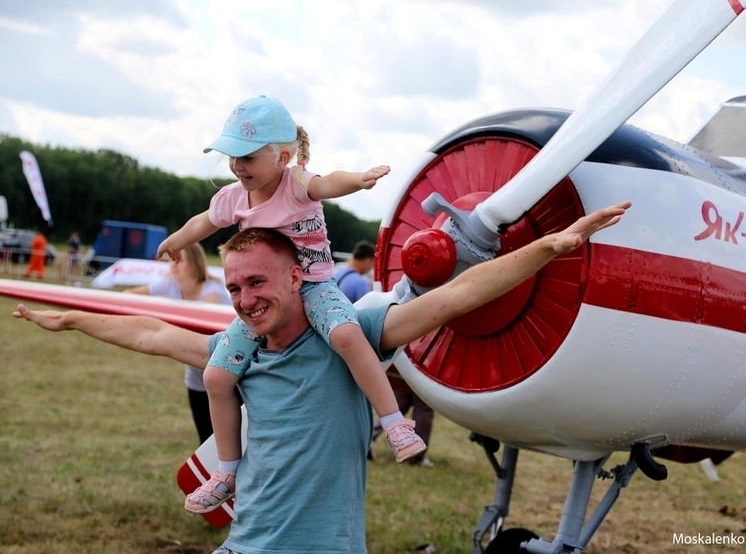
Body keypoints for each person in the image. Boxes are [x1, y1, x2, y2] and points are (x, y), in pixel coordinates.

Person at [12, 201, 631, 553]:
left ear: (295, 278)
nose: (245, 299)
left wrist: (550, 246)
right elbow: (150, 333)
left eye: (257, 283)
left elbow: (453, 297)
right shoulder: (239, 348)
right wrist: (71, 317)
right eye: (233, 287)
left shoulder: (352, 331)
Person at [156, 95, 425, 514]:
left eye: (246, 156)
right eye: (232, 157)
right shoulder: (232, 198)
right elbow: (203, 222)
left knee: (349, 335)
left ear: (282, 156)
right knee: (215, 377)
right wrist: (177, 241)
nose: (237, 166)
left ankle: (393, 423)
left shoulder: (296, 183)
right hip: (265, 303)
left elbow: (329, 182)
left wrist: (360, 179)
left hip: (315, 289)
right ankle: (226, 472)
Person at [123, 243, 231, 444]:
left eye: (179, 259)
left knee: (228, 443)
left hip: (227, 375)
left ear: (195, 263)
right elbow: (128, 296)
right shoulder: (169, 285)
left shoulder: (212, 290)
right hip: (197, 377)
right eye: (171, 259)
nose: (174, 264)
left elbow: (203, 322)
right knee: (205, 442)